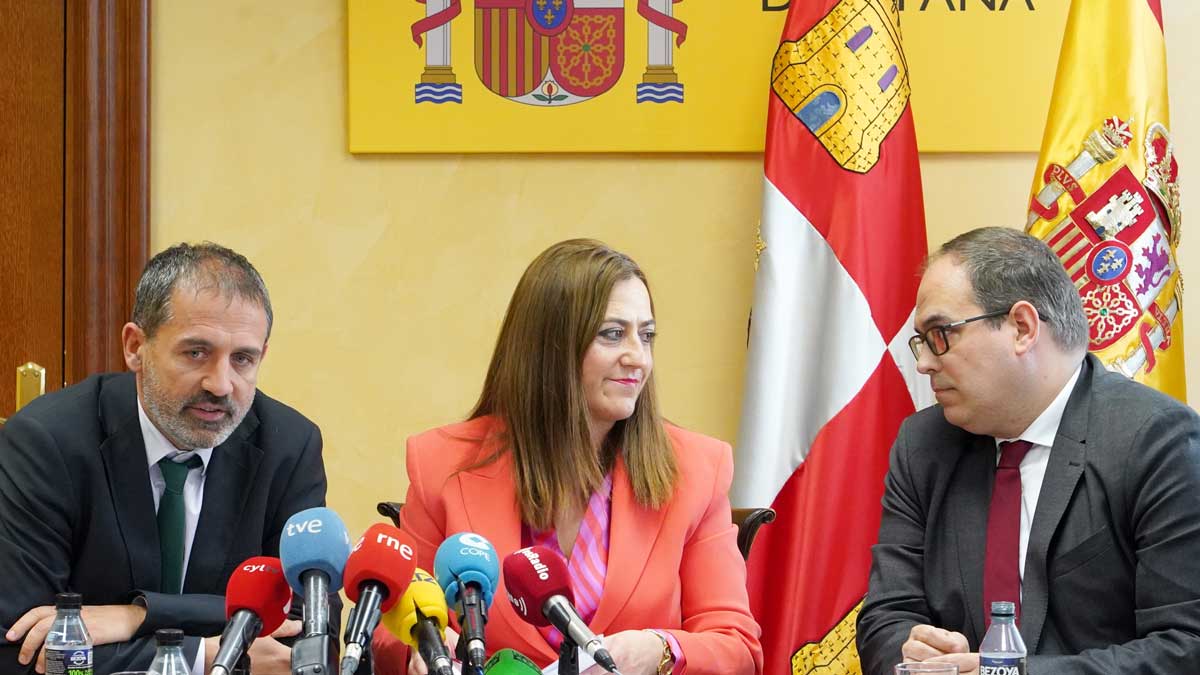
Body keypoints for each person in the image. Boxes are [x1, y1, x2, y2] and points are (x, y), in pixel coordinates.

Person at [372, 239, 762, 675]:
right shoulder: (441, 464)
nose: (639, 358)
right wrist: (422, 645)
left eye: (646, 335)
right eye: (613, 334)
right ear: (549, 347)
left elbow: (736, 646)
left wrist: (661, 649)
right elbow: (387, 630)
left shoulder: (697, 469)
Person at [856, 227, 1200, 674]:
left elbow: (1185, 645)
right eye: (921, 341)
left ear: (1022, 327)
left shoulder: (1155, 440)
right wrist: (918, 654)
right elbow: (886, 616)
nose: (923, 363)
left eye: (941, 334)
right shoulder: (924, 445)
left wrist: (1005, 672)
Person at [0, 243, 332, 674]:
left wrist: (134, 616)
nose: (221, 384)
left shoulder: (289, 446)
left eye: (243, 359)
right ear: (135, 346)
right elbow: (18, 648)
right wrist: (207, 654)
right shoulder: (48, 442)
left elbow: (309, 638)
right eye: (196, 353)